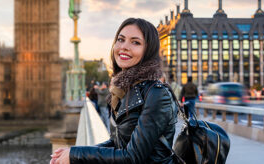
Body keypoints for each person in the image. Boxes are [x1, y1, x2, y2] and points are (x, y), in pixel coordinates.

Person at [50, 18, 178, 164]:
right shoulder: (123, 90)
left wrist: (76, 155)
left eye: (135, 42)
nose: (124, 46)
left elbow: (132, 157)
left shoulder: (157, 94)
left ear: (148, 50)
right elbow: (117, 143)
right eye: (120, 39)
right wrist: (74, 152)